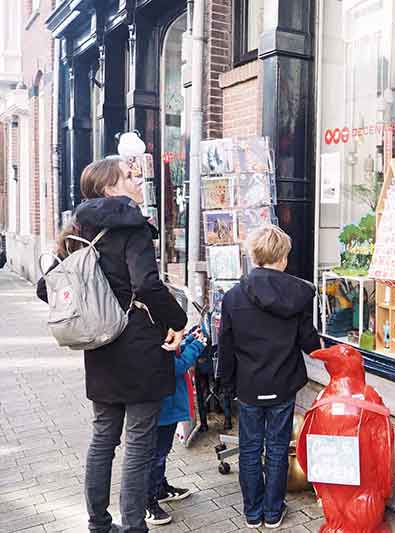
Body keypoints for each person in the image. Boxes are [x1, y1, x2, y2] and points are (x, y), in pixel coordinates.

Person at [36, 158, 188, 533]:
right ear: (110, 188)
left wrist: (92, 307)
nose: (139, 182)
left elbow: (46, 288)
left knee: (103, 437)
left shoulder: (76, 229)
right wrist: (179, 321)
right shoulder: (133, 226)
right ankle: (134, 525)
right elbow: (148, 285)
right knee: (138, 441)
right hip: (138, 344)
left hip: (101, 347)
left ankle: (99, 524)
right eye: (131, 177)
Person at [218, 224, 322, 529]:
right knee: (277, 447)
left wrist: (225, 382)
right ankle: (274, 512)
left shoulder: (234, 297)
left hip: (249, 385)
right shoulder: (298, 295)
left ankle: (253, 513)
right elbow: (308, 341)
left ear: (253, 256)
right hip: (283, 383)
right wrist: (322, 352)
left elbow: (226, 344)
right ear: (284, 258)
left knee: (250, 448)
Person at [145, 327, 207, 526]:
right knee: (156, 455)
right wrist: (196, 346)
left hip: (167, 405)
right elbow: (175, 366)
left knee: (161, 451)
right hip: (162, 406)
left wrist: (187, 340)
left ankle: (160, 489)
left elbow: (174, 352)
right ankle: (148, 502)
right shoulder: (150, 331)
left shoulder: (159, 327)